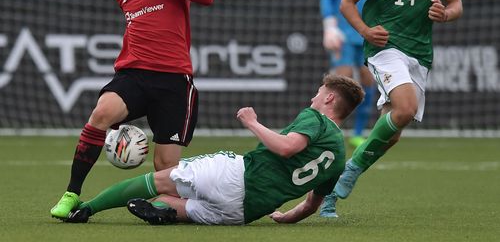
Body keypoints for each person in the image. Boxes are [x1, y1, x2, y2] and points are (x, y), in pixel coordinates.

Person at [50, 0, 214, 220]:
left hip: (174, 81)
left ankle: (179, 210)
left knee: (165, 168)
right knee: (101, 113)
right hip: (134, 74)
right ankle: (72, 193)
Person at [61, 74, 365, 225]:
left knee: (158, 180)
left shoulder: (315, 119)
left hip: (237, 176)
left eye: (319, 93)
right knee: (165, 201)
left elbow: (287, 147)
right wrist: (283, 218)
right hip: (245, 212)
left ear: (329, 100)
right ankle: (166, 213)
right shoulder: (339, 157)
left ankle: (88, 208)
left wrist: (253, 122)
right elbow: (311, 205)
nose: (314, 98)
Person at [332, 0, 463, 209]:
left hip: (419, 53)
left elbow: (456, 3)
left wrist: (444, 14)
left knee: (393, 132)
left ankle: (337, 186)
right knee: (404, 109)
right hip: (385, 48)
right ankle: (348, 173)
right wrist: (365, 30)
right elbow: (346, 3)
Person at [318, 0, 376, 218]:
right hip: (343, 28)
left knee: (368, 82)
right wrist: (329, 24)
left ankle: (357, 132)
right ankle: (332, 131)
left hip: (367, 30)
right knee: (342, 82)